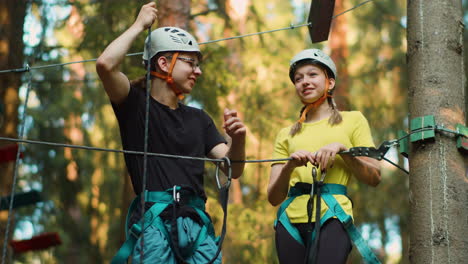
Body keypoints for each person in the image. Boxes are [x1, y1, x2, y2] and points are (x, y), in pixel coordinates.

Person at [95, 2, 246, 263]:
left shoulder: (199, 119)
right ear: (164, 63)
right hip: (154, 223)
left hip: (197, 226)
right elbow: (106, 65)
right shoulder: (133, 104)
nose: (198, 71)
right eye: (191, 63)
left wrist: (238, 139)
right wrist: (139, 25)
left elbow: (231, 167)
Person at [267, 49, 381, 264]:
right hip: (289, 219)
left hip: (334, 215)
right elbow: (273, 197)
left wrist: (343, 151)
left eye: (312, 74)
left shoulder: (353, 120)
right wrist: (289, 167)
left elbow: (374, 176)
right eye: (298, 78)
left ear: (329, 83)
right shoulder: (286, 134)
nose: (304, 82)